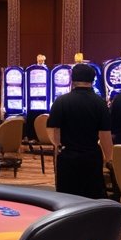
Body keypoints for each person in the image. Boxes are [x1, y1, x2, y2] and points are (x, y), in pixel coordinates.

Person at [47, 63, 113, 199]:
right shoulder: (100, 103)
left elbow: (52, 128)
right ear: (93, 80)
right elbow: (105, 134)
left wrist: (58, 145)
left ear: (72, 79)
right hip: (91, 155)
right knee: (91, 196)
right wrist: (109, 158)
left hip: (68, 155)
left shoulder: (61, 101)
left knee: (67, 196)